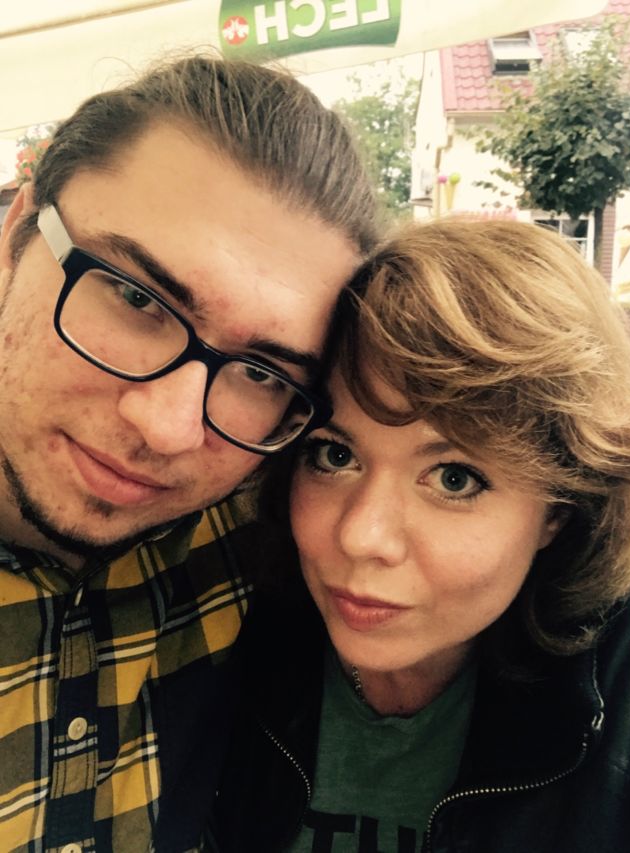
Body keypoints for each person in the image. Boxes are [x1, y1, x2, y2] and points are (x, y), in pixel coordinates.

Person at [0, 54, 379, 851]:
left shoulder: (270, 531)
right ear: (18, 232)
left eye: (261, 373)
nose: (168, 429)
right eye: (136, 297)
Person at [211, 218, 630, 853]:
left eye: (454, 479)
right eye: (334, 456)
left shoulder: (623, 695)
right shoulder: (216, 628)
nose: (362, 537)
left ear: (559, 510)